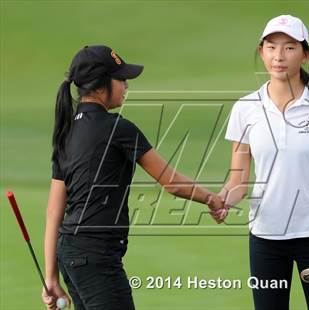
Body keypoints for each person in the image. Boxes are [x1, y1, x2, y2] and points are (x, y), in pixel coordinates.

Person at [42, 45, 224, 310]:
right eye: (121, 79)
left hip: (69, 254)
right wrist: (211, 199)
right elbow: (170, 182)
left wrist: (50, 276)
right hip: (97, 257)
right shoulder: (119, 128)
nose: (126, 85)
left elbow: (53, 211)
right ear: (101, 84)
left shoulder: (66, 133)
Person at [216, 15, 309, 310]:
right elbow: (238, 180)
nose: (279, 56)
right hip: (265, 236)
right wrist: (223, 200)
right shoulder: (245, 109)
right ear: (262, 52)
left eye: (289, 47)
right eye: (271, 47)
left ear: (305, 54)